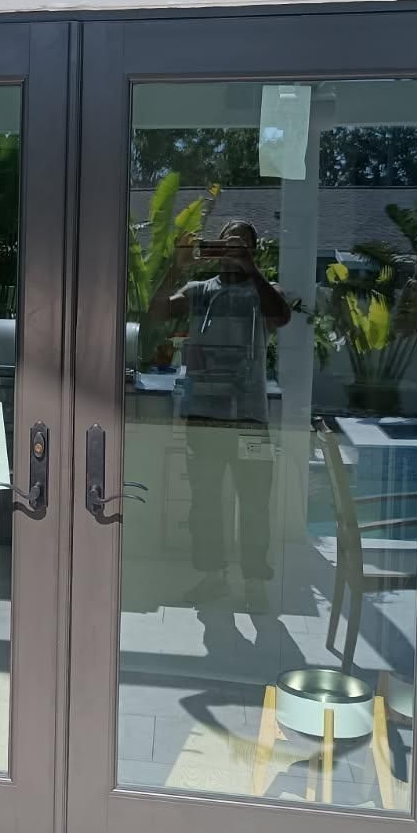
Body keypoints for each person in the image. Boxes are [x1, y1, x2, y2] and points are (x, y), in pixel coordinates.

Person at [150, 219, 292, 612]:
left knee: (254, 503)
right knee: (207, 503)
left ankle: (254, 583)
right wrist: (176, 267)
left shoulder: (265, 291)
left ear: (253, 251)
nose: (233, 251)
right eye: (228, 245)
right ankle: (213, 578)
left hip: (250, 420)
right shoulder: (199, 292)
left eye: (242, 246)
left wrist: (252, 270)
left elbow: (281, 316)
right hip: (205, 420)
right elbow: (159, 312)